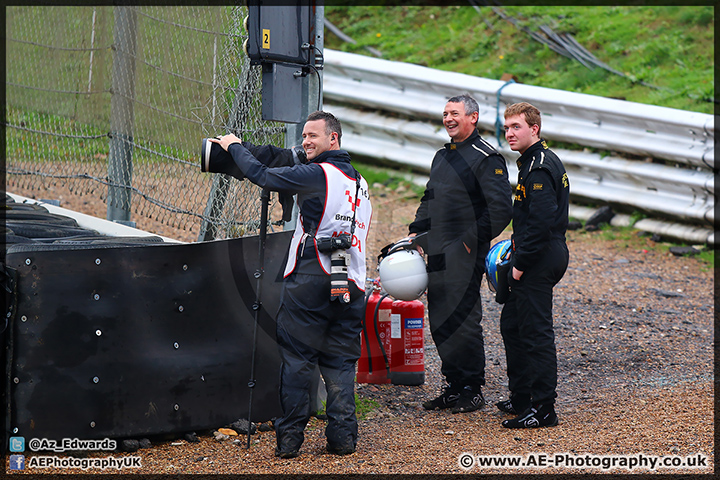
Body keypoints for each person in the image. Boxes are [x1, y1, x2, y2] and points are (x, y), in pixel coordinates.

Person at [209, 111, 372, 458]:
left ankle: (290, 441)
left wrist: (235, 146)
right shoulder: (360, 182)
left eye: (314, 135)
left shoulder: (318, 174)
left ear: (334, 139)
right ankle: (342, 438)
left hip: (312, 279)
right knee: (341, 363)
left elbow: (263, 176)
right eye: (304, 136)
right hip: (353, 283)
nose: (306, 141)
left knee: (297, 360)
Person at [408, 94, 513, 414]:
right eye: (445, 114)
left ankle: (471, 387)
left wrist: (469, 242)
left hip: (465, 252)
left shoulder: (487, 157)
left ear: (473, 118)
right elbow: (430, 196)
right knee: (440, 318)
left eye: (455, 113)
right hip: (436, 248)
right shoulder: (442, 156)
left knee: (463, 319)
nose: (448, 119)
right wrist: (416, 230)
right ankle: (453, 385)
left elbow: (501, 209)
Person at [497, 102, 569, 428]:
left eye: (516, 127)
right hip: (536, 252)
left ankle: (543, 410)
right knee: (513, 325)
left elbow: (540, 225)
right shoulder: (531, 162)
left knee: (536, 333)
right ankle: (522, 397)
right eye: (507, 127)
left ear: (534, 129)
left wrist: (518, 266)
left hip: (540, 258)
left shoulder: (539, 166)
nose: (509, 133)